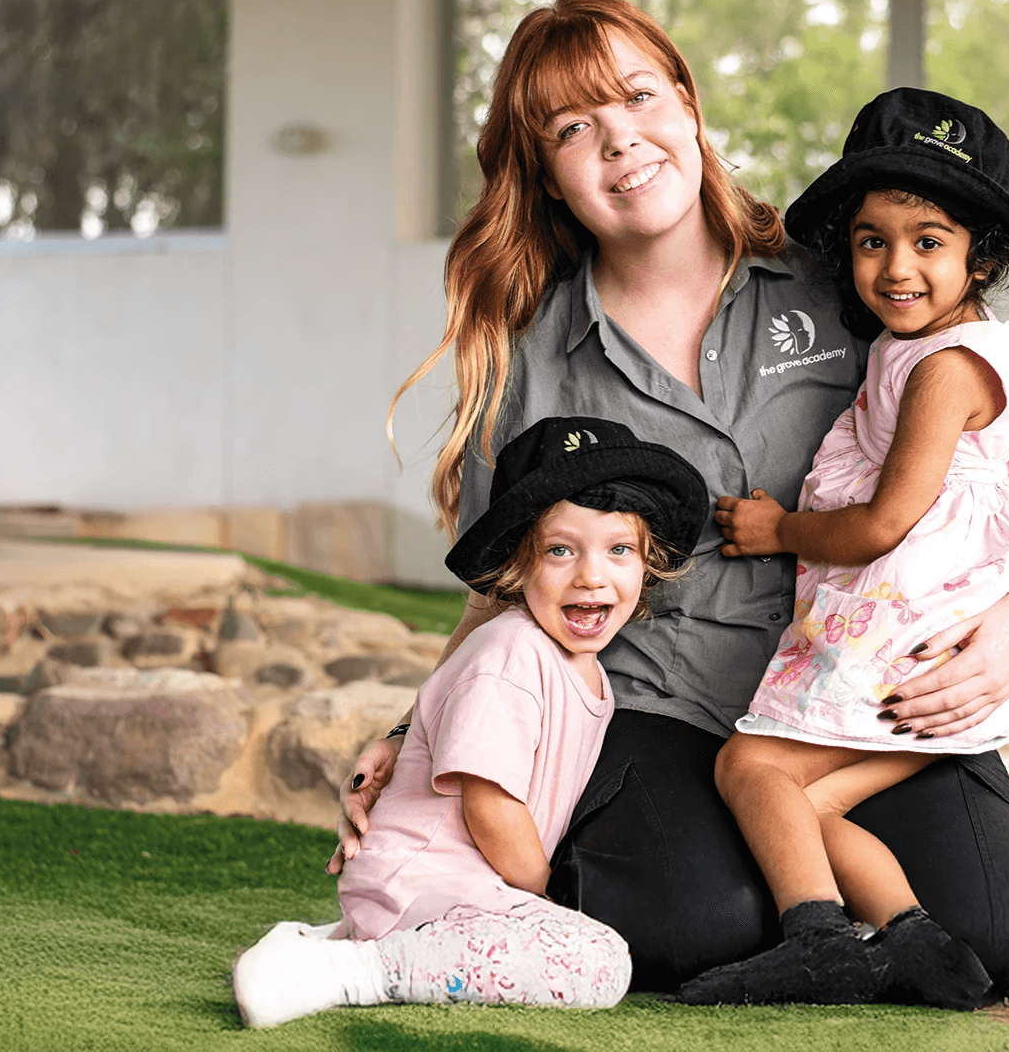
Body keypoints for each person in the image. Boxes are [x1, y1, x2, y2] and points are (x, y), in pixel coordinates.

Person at [333, 0, 1009, 998]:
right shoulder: (531, 364)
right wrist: (411, 740)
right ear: (547, 175)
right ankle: (784, 912)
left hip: (855, 685)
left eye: (639, 97)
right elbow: (499, 590)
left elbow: (994, 466)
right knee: (698, 924)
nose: (620, 143)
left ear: (688, 105)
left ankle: (836, 908)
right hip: (660, 703)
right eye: (573, 129)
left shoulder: (846, 276)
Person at [670, 89, 1009, 1009]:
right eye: (871, 240)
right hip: (909, 646)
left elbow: (885, 522)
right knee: (801, 807)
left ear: (982, 256)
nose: (896, 267)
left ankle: (814, 938)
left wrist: (778, 531)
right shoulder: (915, 348)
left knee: (747, 767)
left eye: (929, 241)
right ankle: (912, 942)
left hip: (900, 644)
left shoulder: (945, 367)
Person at [232, 416, 706, 1027]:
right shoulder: (510, 654)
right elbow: (489, 803)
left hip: (452, 887)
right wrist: (540, 894)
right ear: (517, 566)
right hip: (429, 882)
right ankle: (351, 974)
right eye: (561, 550)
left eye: (618, 550)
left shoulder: (580, 667)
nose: (592, 574)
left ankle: (327, 944)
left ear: (648, 563)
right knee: (600, 961)